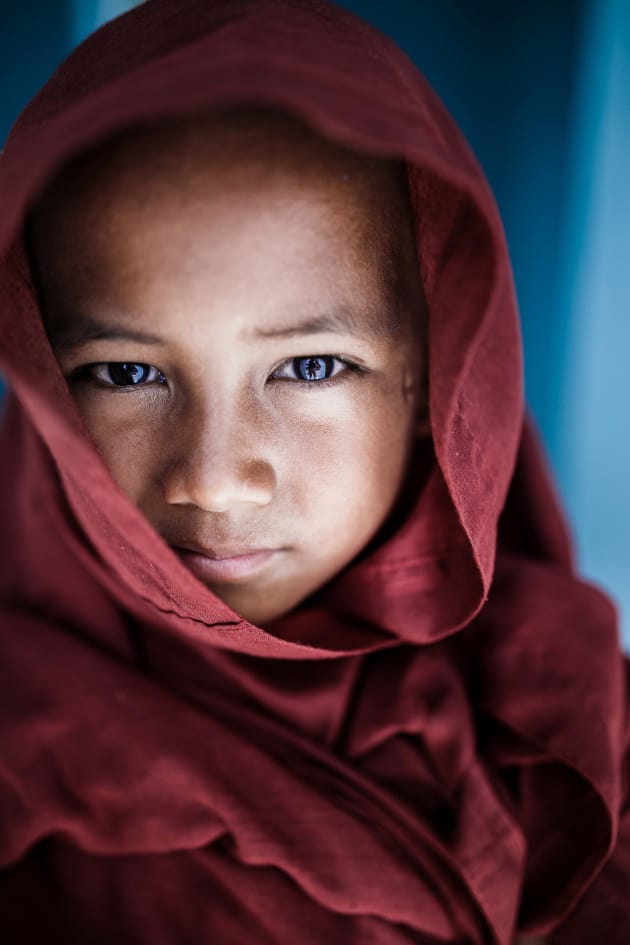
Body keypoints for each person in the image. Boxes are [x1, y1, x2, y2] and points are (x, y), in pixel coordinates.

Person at [0, 1, 627, 943]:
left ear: (430, 382)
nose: (213, 481)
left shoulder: (573, 719)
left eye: (309, 366)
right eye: (126, 373)